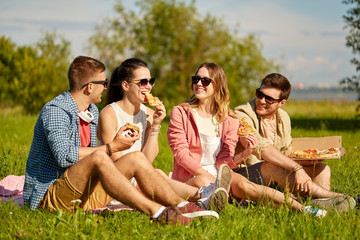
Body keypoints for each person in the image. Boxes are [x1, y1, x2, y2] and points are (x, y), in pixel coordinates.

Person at [22, 56, 219, 225]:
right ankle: (158, 212)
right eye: (103, 83)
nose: (106, 87)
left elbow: (144, 160)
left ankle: (183, 206)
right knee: (99, 158)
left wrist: (155, 125)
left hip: (83, 194)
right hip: (50, 197)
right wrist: (111, 147)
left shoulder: (90, 112)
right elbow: (64, 157)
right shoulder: (56, 111)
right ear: (90, 87)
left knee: (135, 158)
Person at [167, 63, 327, 217]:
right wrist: (210, 178)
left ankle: (305, 210)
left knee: (245, 185)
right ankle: (214, 199)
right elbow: (181, 154)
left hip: (219, 173)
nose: (199, 84)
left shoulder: (228, 118)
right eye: (196, 79)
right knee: (203, 180)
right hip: (192, 176)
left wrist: (246, 153)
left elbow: (224, 160)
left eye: (205, 80)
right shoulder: (181, 113)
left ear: (218, 86)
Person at [97, 58, 230, 212]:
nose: (148, 87)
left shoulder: (148, 114)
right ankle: (203, 197)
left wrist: (155, 125)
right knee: (155, 175)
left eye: (150, 81)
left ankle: (202, 198)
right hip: (115, 182)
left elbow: (148, 160)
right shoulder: (109, 113)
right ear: (126, 85)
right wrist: (146, 176)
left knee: (156, 173)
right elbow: (116, 162)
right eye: (142, 82)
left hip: (140, 176)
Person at [233, 73, 356, 211]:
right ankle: (340, 197)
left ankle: (320, 203)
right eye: (259, 94)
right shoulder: (242, 114)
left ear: (282, 103)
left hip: (274, 175)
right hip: (244, 175)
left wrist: (306, 162)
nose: (261, 100)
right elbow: (261, 147)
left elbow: (285, 153)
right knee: (272, 166)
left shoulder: (283, 118)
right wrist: (297, 168)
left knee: (322, 169)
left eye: (269, 99)